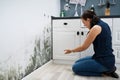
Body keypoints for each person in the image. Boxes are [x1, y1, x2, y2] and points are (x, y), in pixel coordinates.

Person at [64, 10, 119, 78]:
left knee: (75, 68)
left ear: (88, 19)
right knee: (77, 62)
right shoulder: (103, 24)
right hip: (101, 57)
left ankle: (105, 71)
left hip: (104, 62)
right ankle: (108, 68)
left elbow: (83, 47)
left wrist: (71, 50)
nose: (84, 25)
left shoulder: (96, 28)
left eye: (84, 23)